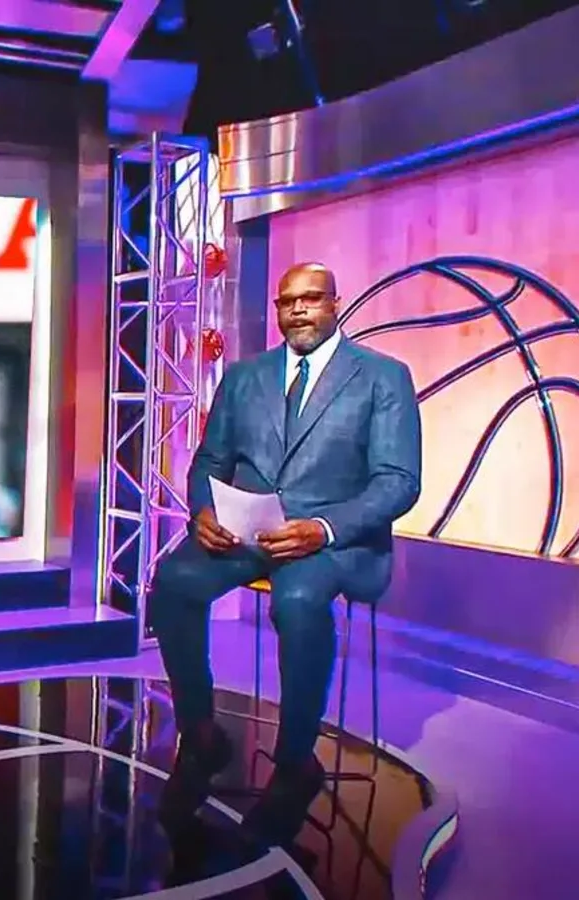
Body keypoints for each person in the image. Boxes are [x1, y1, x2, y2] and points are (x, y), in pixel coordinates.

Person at [150, 262, 421, 845]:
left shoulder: (382, 377)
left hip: (335, 538)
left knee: (296, 600)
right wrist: (205, 512)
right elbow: (208, 463)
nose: (298, 310)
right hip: (249, 532)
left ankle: (296, 762)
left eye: (312, 298)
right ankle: (200, 736)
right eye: (287, 301)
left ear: (336, 303)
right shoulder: (245, 377)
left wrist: (322, 528)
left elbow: (399, 481)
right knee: (172, 581)